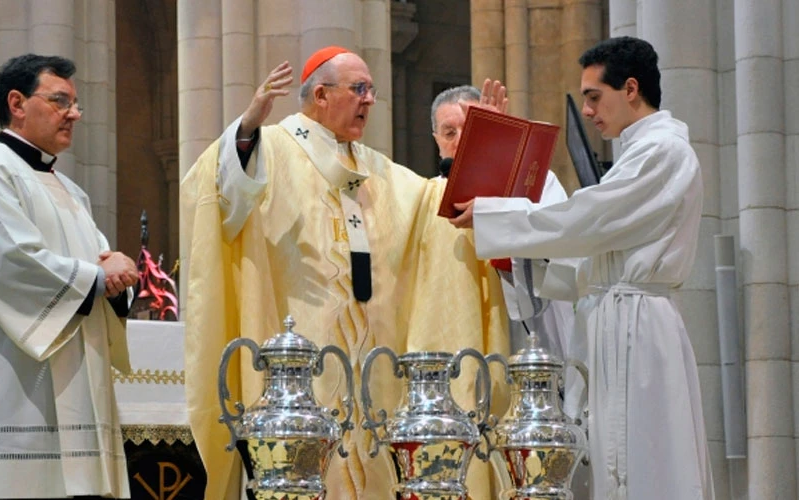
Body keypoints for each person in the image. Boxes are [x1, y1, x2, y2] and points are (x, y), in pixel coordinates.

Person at [181, 47, 510, 499]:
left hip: (373, 369)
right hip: (302, 365)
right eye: (359, 89)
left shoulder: (377, 169)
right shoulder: (271, 148)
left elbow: (444, 209)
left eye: (371, 89)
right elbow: (218, 192)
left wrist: (485, 150)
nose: (370, 99)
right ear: (320, 94)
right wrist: (246, 130)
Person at [449, 36, 714, 499]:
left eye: (594, 97)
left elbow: (589, 217)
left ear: (630, 89)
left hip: (638, 329)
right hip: (615, 319)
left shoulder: (663, 152)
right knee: (615, 458)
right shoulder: (636, 154)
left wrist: (496, 214)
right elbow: (591, 258)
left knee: (644, 458)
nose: (588, 111)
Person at [0, 54, 138, 500]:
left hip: (74, 385)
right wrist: (99, 276)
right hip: (11, 385)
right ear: (17, 102)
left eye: (75, 103)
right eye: (60, 101)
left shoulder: (71, 191)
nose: (74, 113)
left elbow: (101, 266)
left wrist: (117, 282)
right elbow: (10, 265)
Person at [431, 85, 576, 361]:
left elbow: (559, 250)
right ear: (437, 141)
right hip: (463, 336)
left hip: (534, 331)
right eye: (449, 133)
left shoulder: (539, 181)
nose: (460, 140)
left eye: (472, 129)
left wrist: (499, 193)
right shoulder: (428, 196)